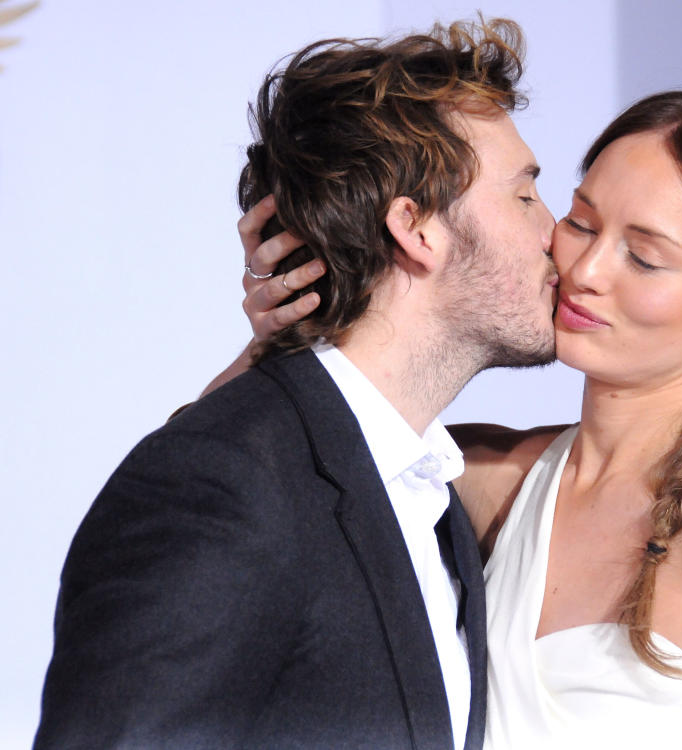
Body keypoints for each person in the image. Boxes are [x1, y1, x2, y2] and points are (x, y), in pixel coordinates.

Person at [238, 91, 682, 747]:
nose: (586, 270)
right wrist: (276, 341)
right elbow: (233, 478)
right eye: (580, 222)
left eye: (645, 257)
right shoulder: (483, 480)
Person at [34, 19, 557, 750]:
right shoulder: (223, 482)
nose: (553, 232)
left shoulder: (432, 502)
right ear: (417, 228)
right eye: (526, 197)